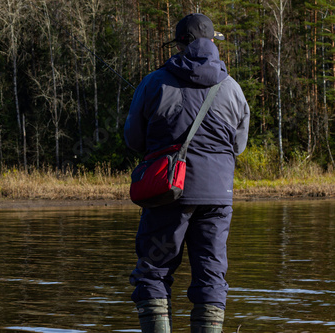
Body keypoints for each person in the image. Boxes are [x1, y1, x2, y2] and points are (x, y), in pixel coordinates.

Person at [124, 13, 250, 333]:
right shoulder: (232, 87)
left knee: (152, 272)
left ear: (180, 44)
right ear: (212, 43)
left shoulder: (154, 82)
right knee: (211, 274)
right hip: (218, 194)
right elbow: (239, 145)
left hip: (167, 190)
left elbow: (133, 139)